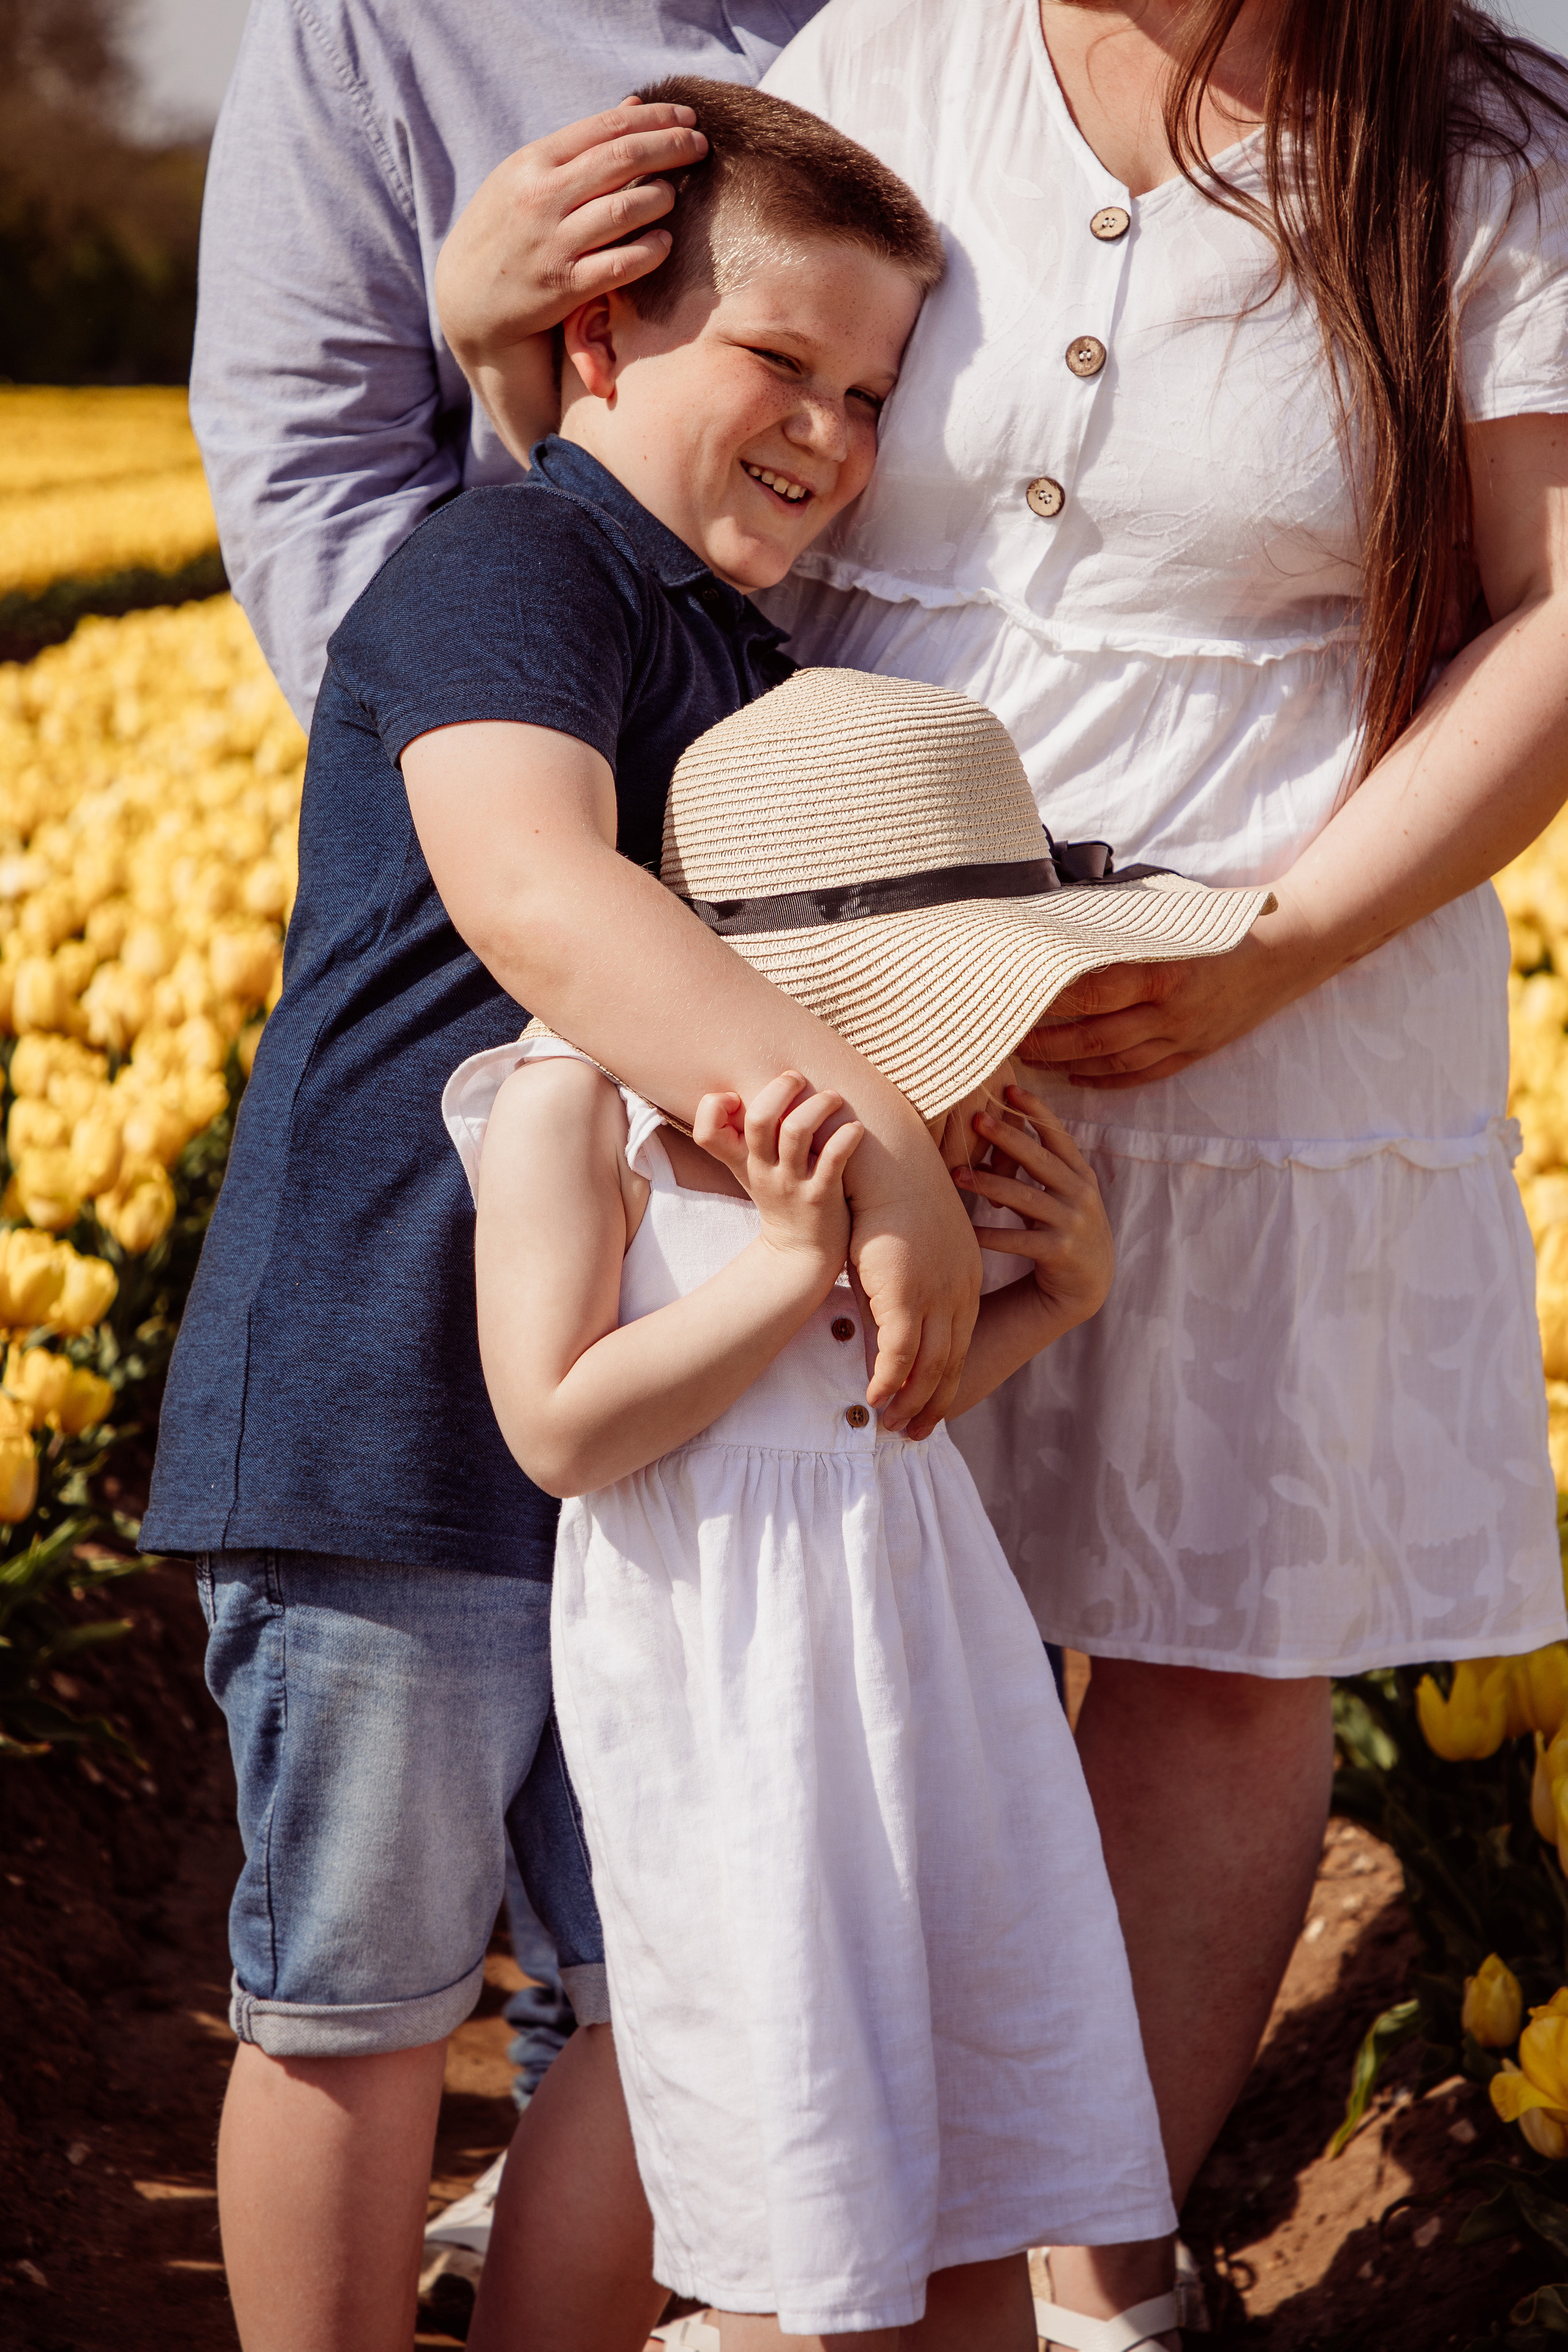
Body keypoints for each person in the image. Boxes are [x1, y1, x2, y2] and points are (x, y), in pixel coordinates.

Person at [431, 0, 1568, 2331]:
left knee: (1208, 1648)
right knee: (824, 1612)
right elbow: (646, 415)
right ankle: (781, 2217)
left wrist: (1285, 943)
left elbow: (1561, 609)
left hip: (1270, 986)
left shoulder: (1476, 144)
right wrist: (484, 332)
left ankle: (1075, 2274)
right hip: (831, 969)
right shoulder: (891, 50)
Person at [149, 73, 982, 2352]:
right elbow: (535, 887)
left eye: (873, 389)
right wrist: (873, 1143)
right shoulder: (513, 563)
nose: (829, 429)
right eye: (779, 362)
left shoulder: (754, 663)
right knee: (359, 1998)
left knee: (657, 1993)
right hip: (383, 1408)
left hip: (633, 1434)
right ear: (605, 337)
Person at [450, 667, 1270, 2350]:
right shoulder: (574, 1110)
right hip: (724, 1701)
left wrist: (1062, 1296)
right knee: (774, 2108)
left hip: (922, 1672)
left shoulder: (879, 1135)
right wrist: (781, 1266)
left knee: (954, 2100)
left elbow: (881, 1410)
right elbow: (558, 1430)